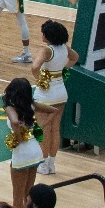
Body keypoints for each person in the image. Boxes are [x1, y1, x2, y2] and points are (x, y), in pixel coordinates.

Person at [31, 19, 77, 174]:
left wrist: (40, 80)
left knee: (43, 129)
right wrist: (61, 71)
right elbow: (75, 57)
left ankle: (43, 164)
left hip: (46, 94)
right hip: (61, 92)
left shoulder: (47, 50)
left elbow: (35, 67)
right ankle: (51, 164)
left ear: (48, 35)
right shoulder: (64, 48)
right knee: (55, 129)